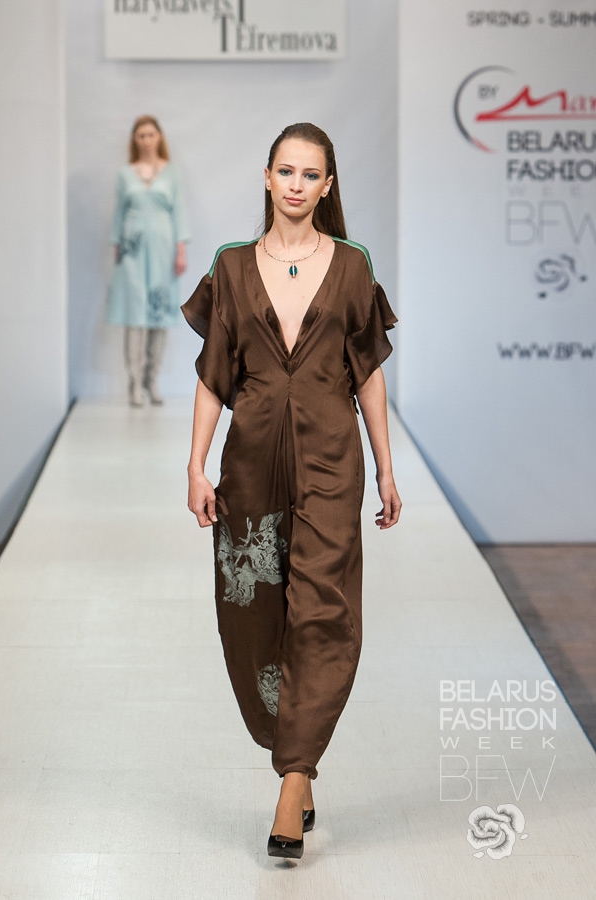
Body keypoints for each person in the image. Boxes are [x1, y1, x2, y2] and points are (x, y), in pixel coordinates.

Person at [182, 123, 402, 860]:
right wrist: (195, 465)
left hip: (332, 461)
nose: (297, 185)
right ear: (267, 177)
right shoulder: (231, 265)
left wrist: (387, 466)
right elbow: (214, 375)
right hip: (249, 465)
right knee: (253, 617)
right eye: (286, 171)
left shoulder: (353, 264)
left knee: (323, 613)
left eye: (311, 174)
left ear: (328, 185)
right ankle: (297, 759)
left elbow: (368, 374)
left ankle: (292, 779)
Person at [107, 115, 190, 407]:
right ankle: (133, 383)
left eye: (150, 134)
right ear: (135, 139)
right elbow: (119, 212)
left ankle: (151, 380)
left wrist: (181, 249)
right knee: (134, 314)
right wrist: (116, 245)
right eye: (141, 135)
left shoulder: (172, 173)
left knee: (158, 311)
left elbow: (179, 211)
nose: (146, 140)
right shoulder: (125, 174)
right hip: (132, 249)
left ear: (159, 137)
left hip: (163, 247)